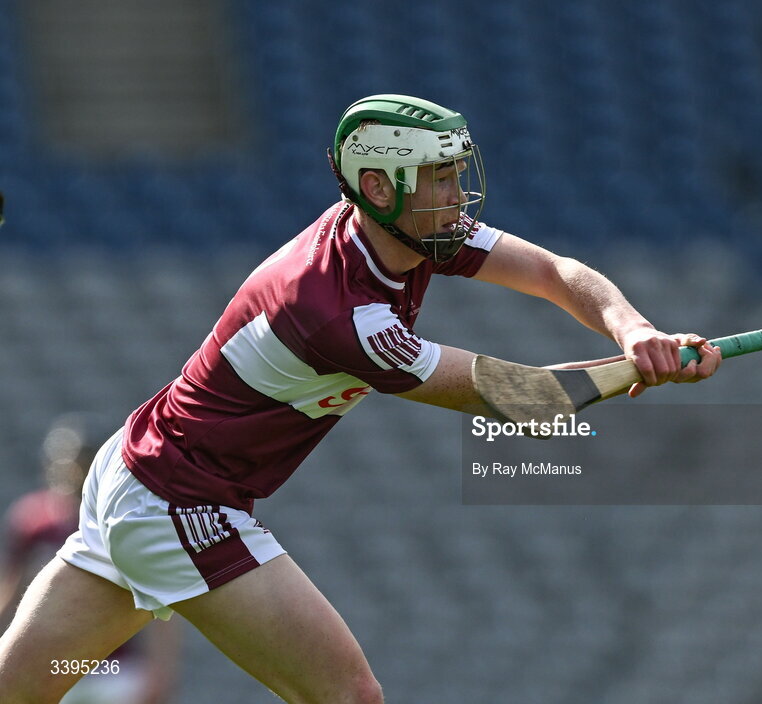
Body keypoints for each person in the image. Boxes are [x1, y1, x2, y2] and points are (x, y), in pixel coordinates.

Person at [0, 94, 722, 703]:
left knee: (27, 685)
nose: (456, 195)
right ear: (379, 189)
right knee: (350, 696)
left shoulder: (412, 231)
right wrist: (642, 371)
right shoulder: (339, 315)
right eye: (437, 178)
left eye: (453, 173)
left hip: (138, 472)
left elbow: (557, 273)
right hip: (181, 503)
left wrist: (637, 331)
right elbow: (520, 397)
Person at [0, 415, 179, 704]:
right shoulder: (34, 522)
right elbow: (12, 591)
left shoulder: (122, 520)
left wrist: (160, 668)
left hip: (116, 667)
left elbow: (159, 605)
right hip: (54, 664)